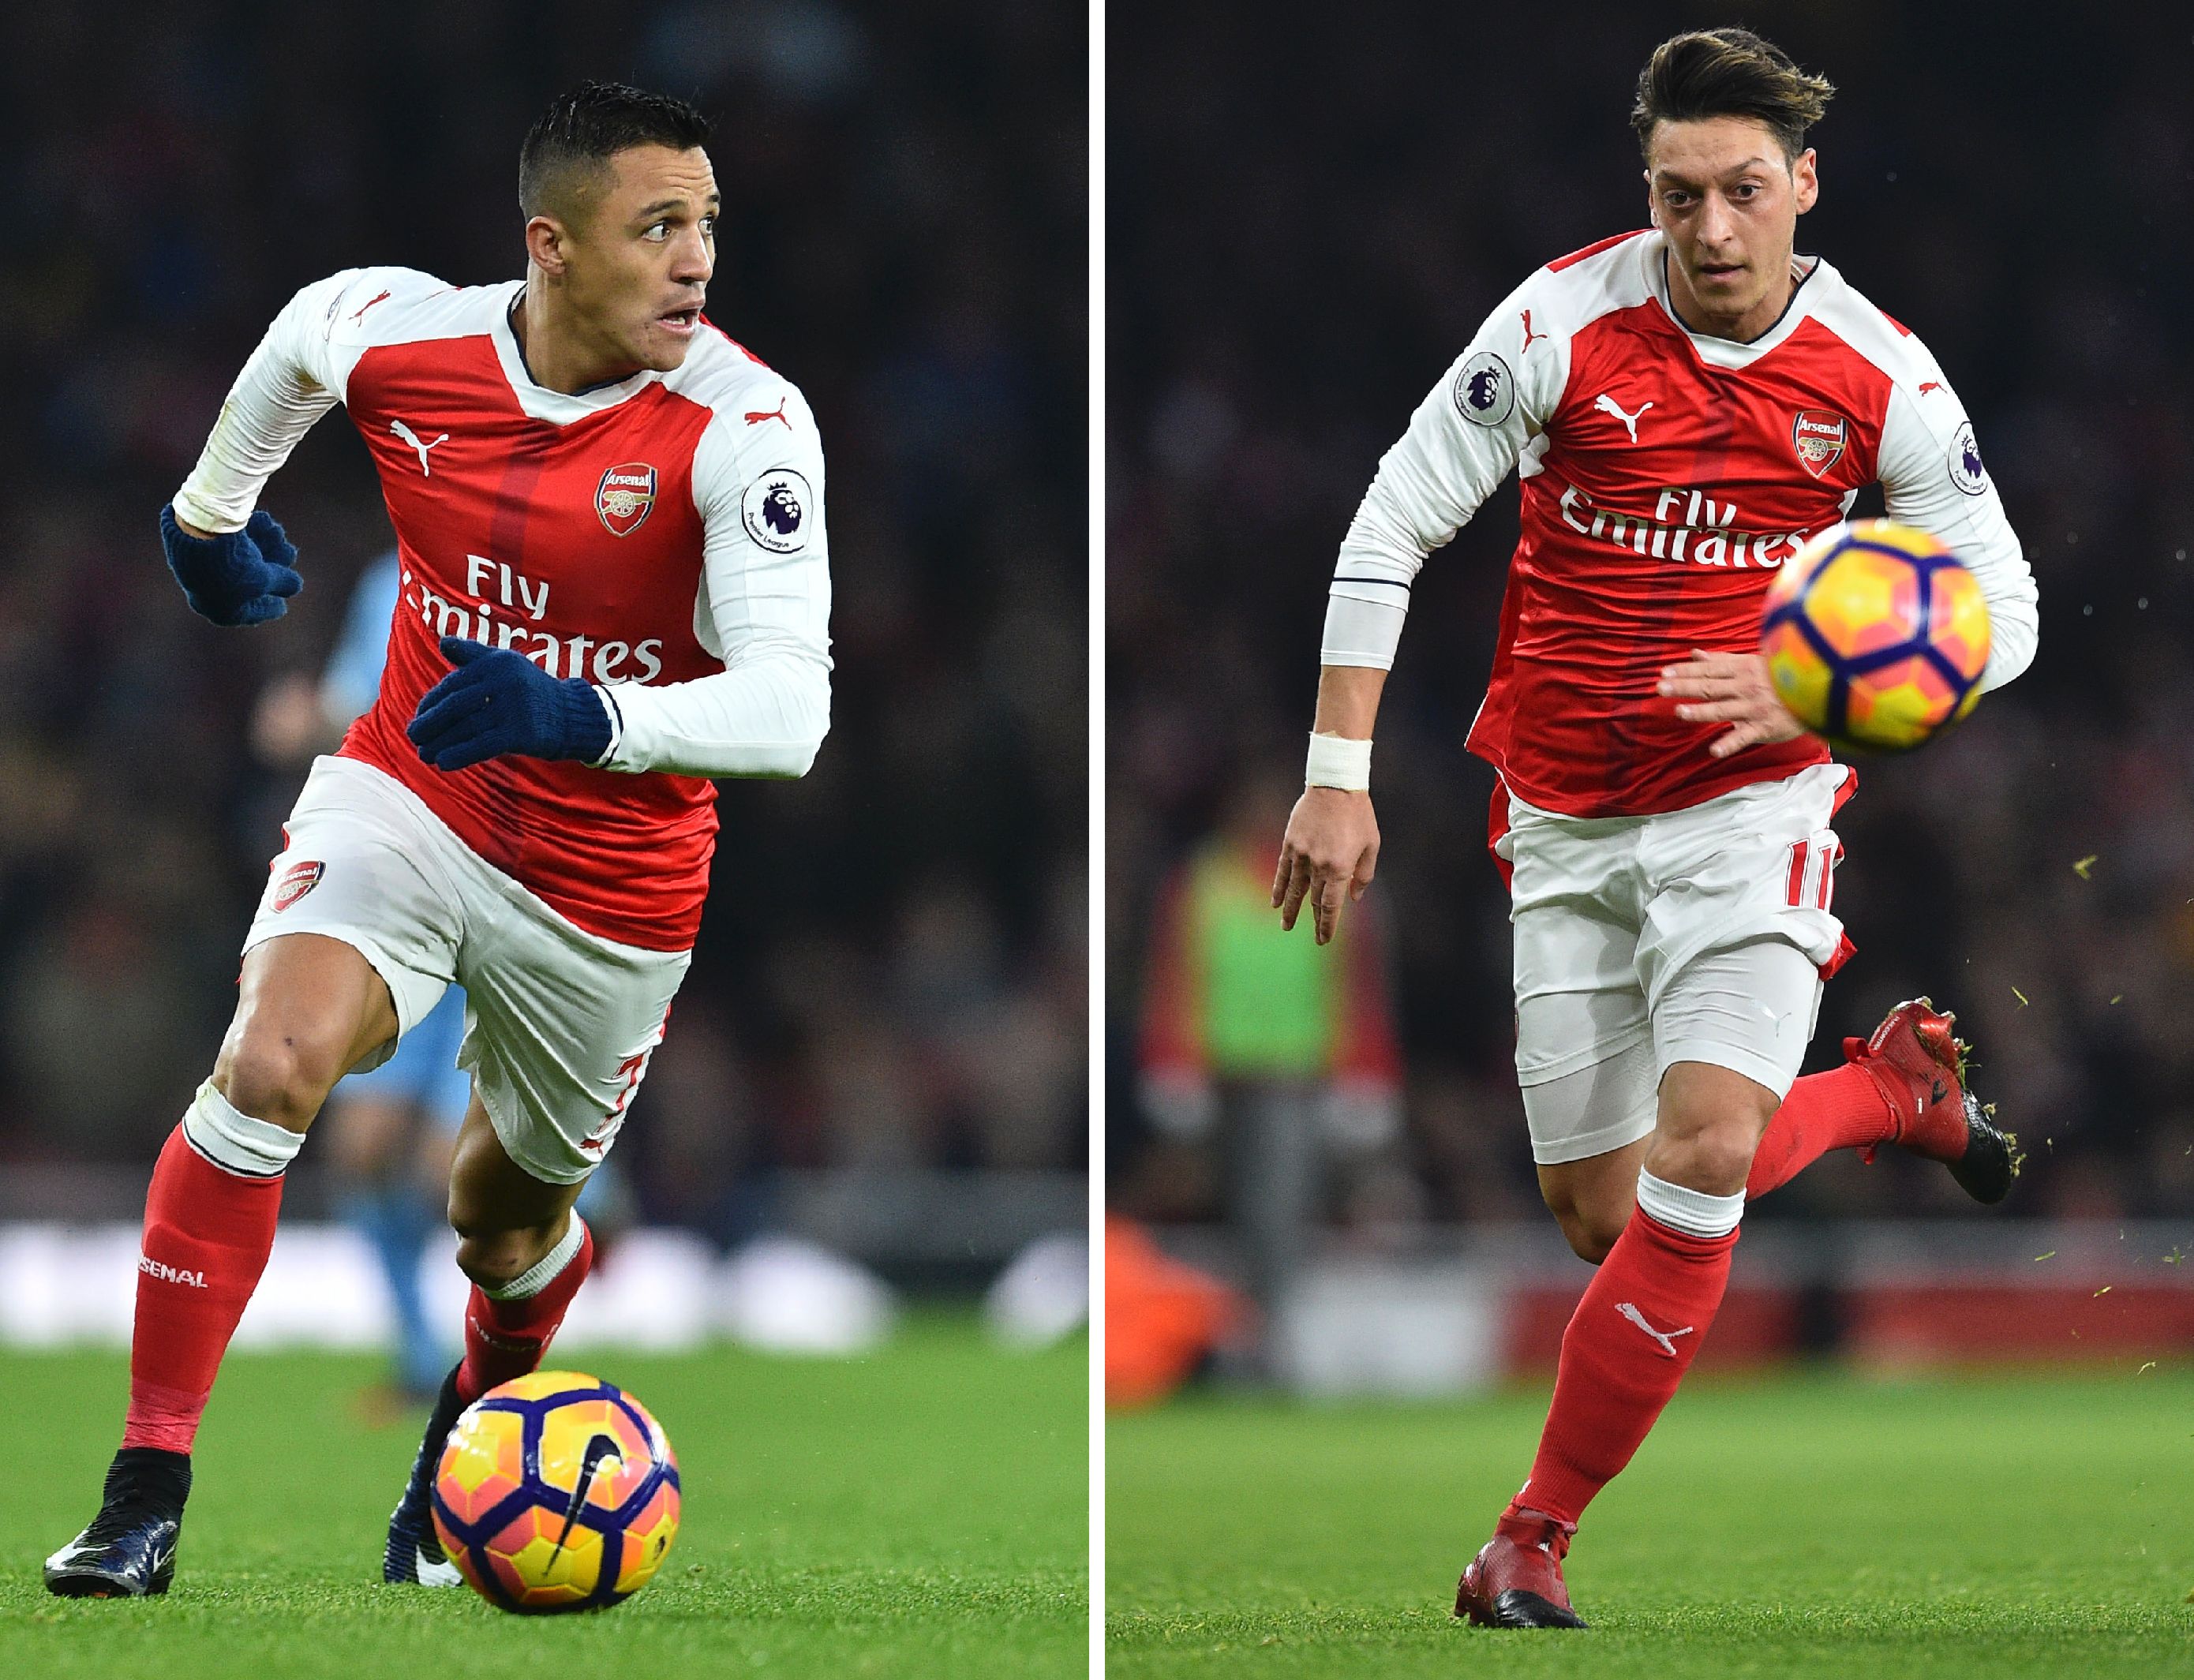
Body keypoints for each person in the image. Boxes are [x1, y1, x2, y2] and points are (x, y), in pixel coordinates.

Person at [1269, 29, 2038, 1629]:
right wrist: (1336, 771)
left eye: (1742, 190)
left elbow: (2006, 607)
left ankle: (1528, 1534)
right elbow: (1391, 520)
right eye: (1677, 193)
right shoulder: (1560, 321)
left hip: (1754, 804)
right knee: (1606, 1215)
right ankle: (1887, 1092)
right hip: (1560, 807)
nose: (1708, 226)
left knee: (1703, 1151)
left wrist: (1822, 699)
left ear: (1803, 185)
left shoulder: (1877, 369)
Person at [45, 80, 832, 1598]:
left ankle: (464, 1431)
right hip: (414, 789)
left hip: (611, 884)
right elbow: (304, 336)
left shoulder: (744, 423)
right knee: (271, 1062)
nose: (696, 259)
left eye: (709, 224)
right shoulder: (413, 336)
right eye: (658, 225)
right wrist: (209, 514)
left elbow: (792, 708)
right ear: (552, 244)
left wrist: (582, 711)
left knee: (502, 1220)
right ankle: (143, 1491)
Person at [255, 554, 631, 1412]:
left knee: (448, 1173)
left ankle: (509, 1346)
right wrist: (309, 717)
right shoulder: (391, 577)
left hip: (516, 892)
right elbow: (364, 709)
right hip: (407, 893)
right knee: (362, 1149)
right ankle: (420, 1357)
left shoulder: (556, 567)